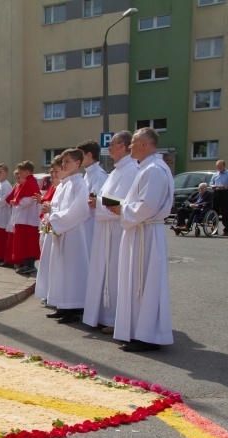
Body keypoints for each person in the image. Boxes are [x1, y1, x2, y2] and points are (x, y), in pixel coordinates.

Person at [108, 128, 174, 352]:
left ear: (144, 144)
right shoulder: (147, 168)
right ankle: (138, 331)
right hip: (140, 231)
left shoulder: (154, 170)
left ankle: (147, 336)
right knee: (138, 282)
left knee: (143, 283)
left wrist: (122, 208)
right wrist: (123, 206)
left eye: (133, 143)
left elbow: (147, 205)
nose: (129, 147)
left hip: (145, 233)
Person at [83, 131, 138, 333]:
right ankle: (102, 315)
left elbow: (122, 202)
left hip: (116, 230)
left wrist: (96, 201)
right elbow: (108, 197)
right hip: (105, 228)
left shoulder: (130, 170)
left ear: (123, 146)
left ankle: (114, 318)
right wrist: (96, 200)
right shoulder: (116, 171)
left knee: (114, 273)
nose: (109, 149)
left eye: (113, 145)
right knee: (103, 271)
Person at [44, 149, 90, 324]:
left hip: (73, 233)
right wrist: (51, 218)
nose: (64, 165)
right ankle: (62, 305)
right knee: (60, 269)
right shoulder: (65, 183)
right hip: (61, 230)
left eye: (68, 161)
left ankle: (74, 308)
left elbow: (79, 210)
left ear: (78, 163)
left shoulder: (79, 184)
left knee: (72, 271)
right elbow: (57, 207)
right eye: (63, 162)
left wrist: (55, 219)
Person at [34, 157, 64, 302]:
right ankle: (47, 291)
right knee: (45, 258)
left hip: (55, 225)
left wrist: (49, 206)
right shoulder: (55, 188)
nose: (53, 177)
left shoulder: (64, 186)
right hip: (47, 224)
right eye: (51, 174)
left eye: (55, 173)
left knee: (51, 260)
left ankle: (51, 292)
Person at [8, 161, 41, 275]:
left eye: (21, 172)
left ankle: (29, 265)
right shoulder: (28, 182)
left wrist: (17, 202)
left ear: (27, 172)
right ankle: (27, 264)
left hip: (28, 219)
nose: (19, 175)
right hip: (25, 218)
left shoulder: (30, 182)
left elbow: (29, 199)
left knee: (28, 243)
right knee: (25, 243)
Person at [77, 139, 108, 253]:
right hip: (85, 221)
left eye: (80, 155)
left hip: (93, 223)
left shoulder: (99, 175)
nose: (78, 159)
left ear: (89, 155)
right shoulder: (87, 174)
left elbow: (94, 200)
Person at [210, 160, 228, 236]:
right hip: (216, 192)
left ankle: (226, 230)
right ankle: (214, 229)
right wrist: (213, 186)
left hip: (225, 193)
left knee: (225, 212)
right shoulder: (215, 174)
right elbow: (211, 183)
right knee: (215, 211)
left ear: (224, 166)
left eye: (220, 167)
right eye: (218, 167)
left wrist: (225, 186)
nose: (219, 168)